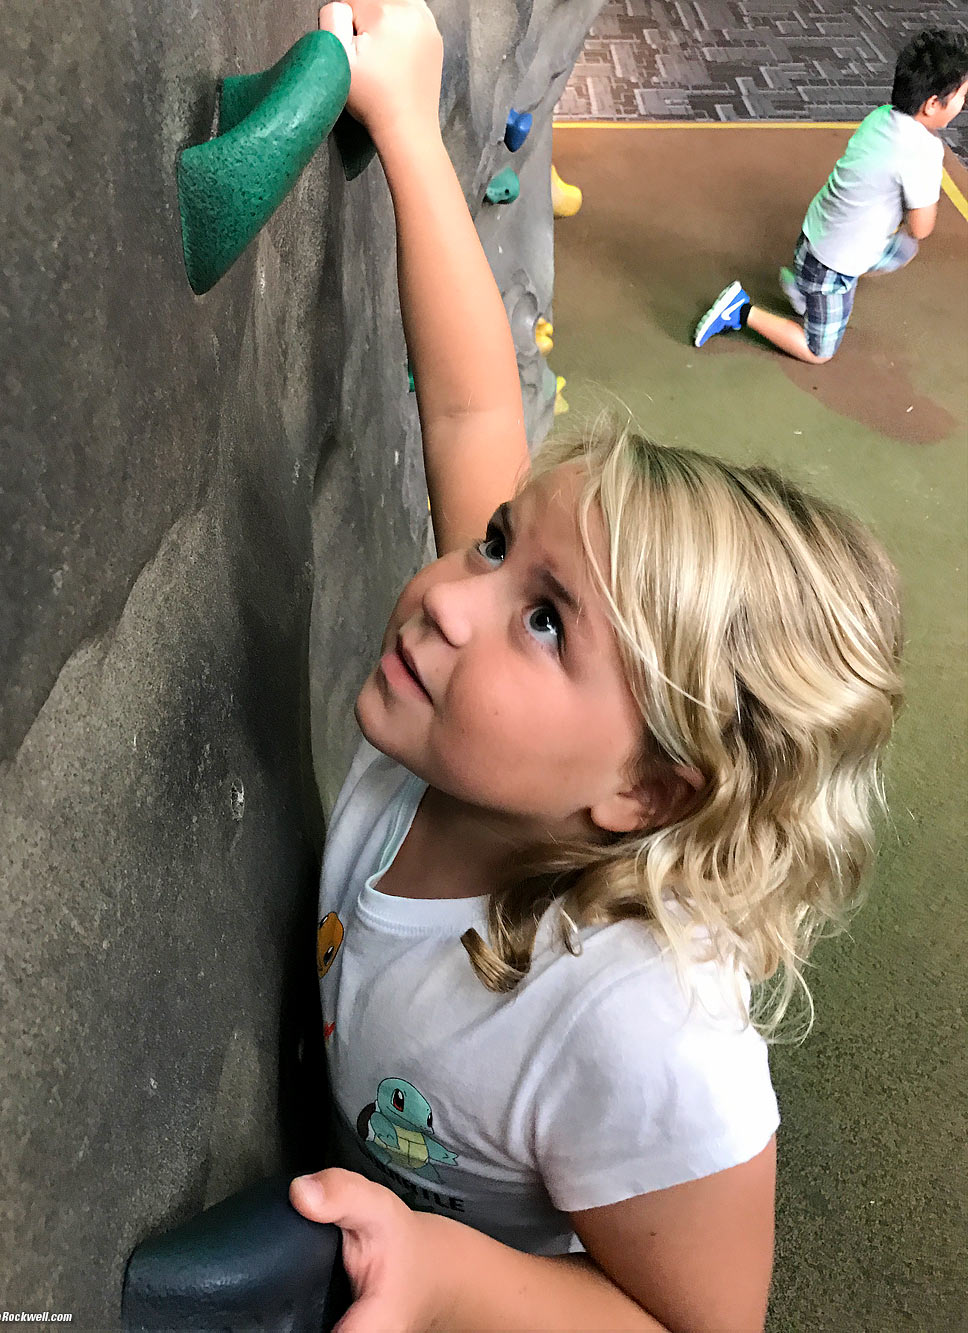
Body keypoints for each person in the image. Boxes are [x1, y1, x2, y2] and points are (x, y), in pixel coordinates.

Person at [291, 4, 904, 1330]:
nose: (454, 595)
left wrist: (446, 1276)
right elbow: (468, 407)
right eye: (499, 548)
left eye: (547, 617)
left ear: (643, 794)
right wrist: (405, 117)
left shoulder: (644, 1032)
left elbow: (699, 1324)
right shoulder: (483, 710)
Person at [694, 28, 968, 363]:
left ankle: (802, 284)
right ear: (932, 104)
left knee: (900, 250)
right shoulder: (924, 152)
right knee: (818, 350)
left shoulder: (881, 116)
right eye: (961, 96)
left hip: (815, 233)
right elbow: (922, 228)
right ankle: (740, 311)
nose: (963, 103)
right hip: (832, 266)